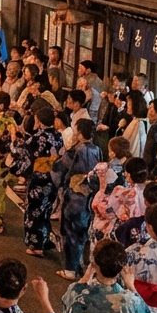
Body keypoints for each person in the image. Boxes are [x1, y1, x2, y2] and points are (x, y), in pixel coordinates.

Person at [11, 107, 64, 257]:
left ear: (39, 121)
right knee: (45, 210)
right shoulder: (59, 136)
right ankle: (45, 239)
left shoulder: (38, 137)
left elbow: (22, 152)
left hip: (39, 179)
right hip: (53, 179)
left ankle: (37, 245)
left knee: (34, 211)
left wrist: (14, 139)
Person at [53, 119, 102, 280]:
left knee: (71, 231)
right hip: (90, 194)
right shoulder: (97, 150)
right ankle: (83, 265)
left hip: (75, 195)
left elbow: (61, 167)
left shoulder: (76, 150)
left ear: (80, 133)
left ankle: (70, 268)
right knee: (83, 230)